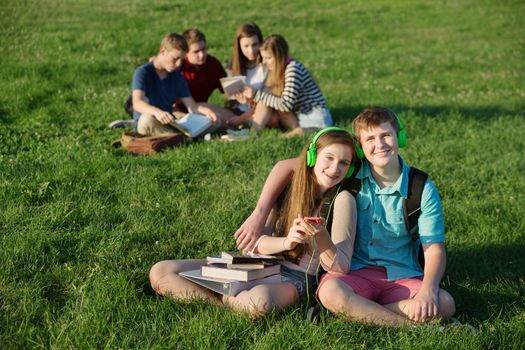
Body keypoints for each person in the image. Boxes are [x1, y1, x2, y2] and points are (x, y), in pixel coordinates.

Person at [234, 107, 455, 326]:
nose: (380, 145)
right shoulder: (348, 174)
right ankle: (410, 326)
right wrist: (260, 212)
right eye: (370, 139)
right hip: (354, 274)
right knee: (331, 291)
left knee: (444, 303)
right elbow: (292, 166)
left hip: (402, 275)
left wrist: (428, 290)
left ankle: (355, 312)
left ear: (400, 137)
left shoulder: (420, 187)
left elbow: (434, 249)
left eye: (386, 135)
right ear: (360, 149)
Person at [149, 128, 359, 318]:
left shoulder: (342, 200)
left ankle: (214, 298)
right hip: (256, 264)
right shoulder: (289, 189)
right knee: (161, 271)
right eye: (329, 158)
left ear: (349, 169)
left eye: (344, 163)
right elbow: (256, 243)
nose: (335, 168)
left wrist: (321, 235)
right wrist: (286, 242)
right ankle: (226, 304)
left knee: (259, 303)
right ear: (312, 157)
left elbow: (341, 266)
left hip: (294, 278)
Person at [228, 34, 333, 137]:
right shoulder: (278, 70)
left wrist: (256, 94)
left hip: (315, 117)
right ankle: (252, 133)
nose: (264, 62)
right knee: (267, 93)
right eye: (263, 58)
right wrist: (252, 99)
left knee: (299, 132)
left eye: (268, 58)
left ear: (279, 56)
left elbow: (286, 105)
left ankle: (256, 135)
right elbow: (272, 99)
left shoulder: (293, 69)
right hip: (298, 115)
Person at [131, 32, 218, 136]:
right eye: (175, 58)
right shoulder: (143, 72)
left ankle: (179, 137)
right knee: (146, 119)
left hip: (170, 123)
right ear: (163, 51)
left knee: (214, 123)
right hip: (149, 122)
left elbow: (192, 107)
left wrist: (207, 112)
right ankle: (183, 137)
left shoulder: (177, 77)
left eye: (182, 59)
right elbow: (137, 103)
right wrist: (157, 112)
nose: (179, 64)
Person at [173, 28, 236, 123]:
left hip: (202, 108)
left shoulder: (213, 64)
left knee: (229, 117)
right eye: (196, 52)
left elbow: (229, 91)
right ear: (185, 53)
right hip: (176, 110)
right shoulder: (176, 66)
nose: (202, 55)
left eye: (203, 49)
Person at [226, 23, 266, 118]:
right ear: (239, 47)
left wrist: (253, 98)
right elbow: (230, 96)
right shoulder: (233, 66)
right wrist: (236, 96)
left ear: (261, 43)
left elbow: (273, 96)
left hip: (261, 112)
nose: (251, 51)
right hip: (238, 110)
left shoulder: (267, 63)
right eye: (246, 46)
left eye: (255, 45)